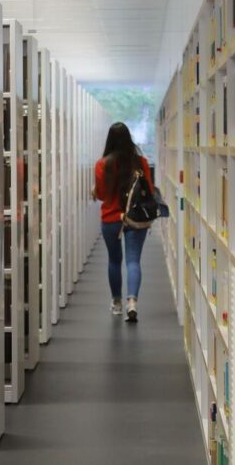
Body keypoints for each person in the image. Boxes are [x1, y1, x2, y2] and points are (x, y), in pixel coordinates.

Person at [92, 122, 153, 322]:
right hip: (135, 219)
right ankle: (132, 303)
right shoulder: (141, 163)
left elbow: (101, 195)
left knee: (114, 261)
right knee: (133, 261)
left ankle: (116, 303)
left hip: (110, 219)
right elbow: (149, 191)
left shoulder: (102, 165)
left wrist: (96, 190)